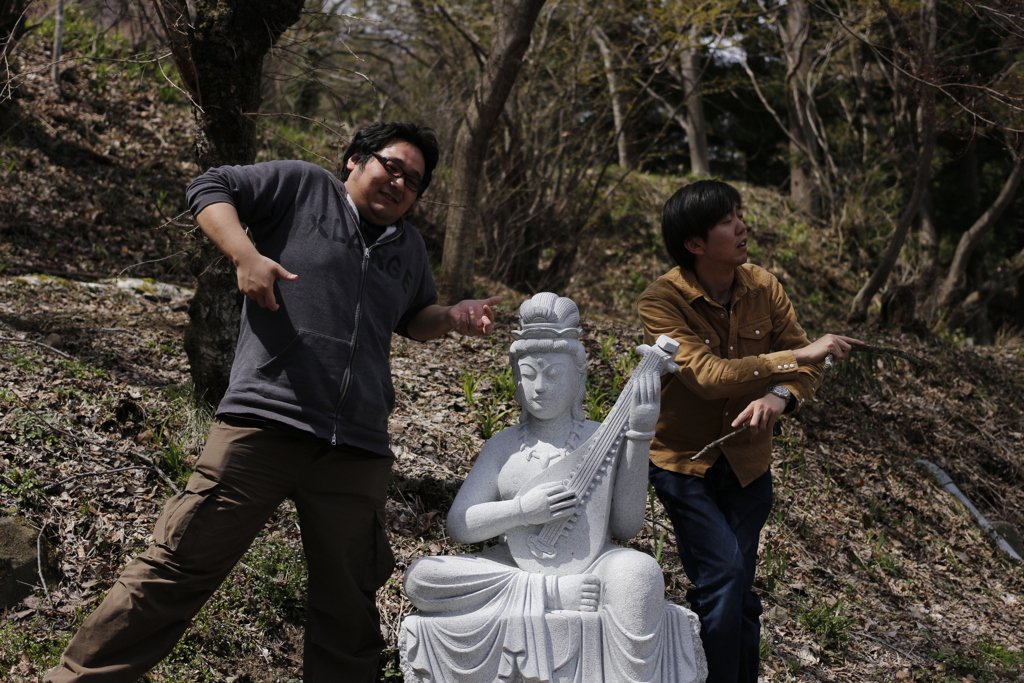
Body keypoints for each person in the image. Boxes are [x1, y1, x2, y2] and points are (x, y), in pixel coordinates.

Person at [45, 121, 501, 683]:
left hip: (355, 449)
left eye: (414, 181)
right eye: (392, 165)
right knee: (176, 568)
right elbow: (210, 188)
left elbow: (414, 318)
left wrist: (451, 318)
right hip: (264, 424)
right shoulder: (303, 187)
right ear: (355, 161)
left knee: (349, 603)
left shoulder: (408, 248)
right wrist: (244, 255)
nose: (400, 183)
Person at [400, 293, 706, 683]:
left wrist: (641, 433)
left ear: (579, 378)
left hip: (596, 563)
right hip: (512, 565)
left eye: (554, 374)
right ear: (516, 380)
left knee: (640, 573)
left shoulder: (604, 437)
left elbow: (627, 527)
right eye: (529, 375)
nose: (540, 387)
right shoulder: (504, 445)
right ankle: (548, 593)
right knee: (423, 576)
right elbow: (460, 526)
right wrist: (522, 511)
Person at [637, 180, 861, 683]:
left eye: (739, 214)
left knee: (738, 592)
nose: (742, 227)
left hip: (747, 467)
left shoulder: (763, 285)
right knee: (724, 578)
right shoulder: (661, 301)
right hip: (683, 464)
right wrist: (794, 356)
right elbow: (707, 376)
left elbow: (807, 370)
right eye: (726, 221)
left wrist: (779, 396)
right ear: (695, 244)